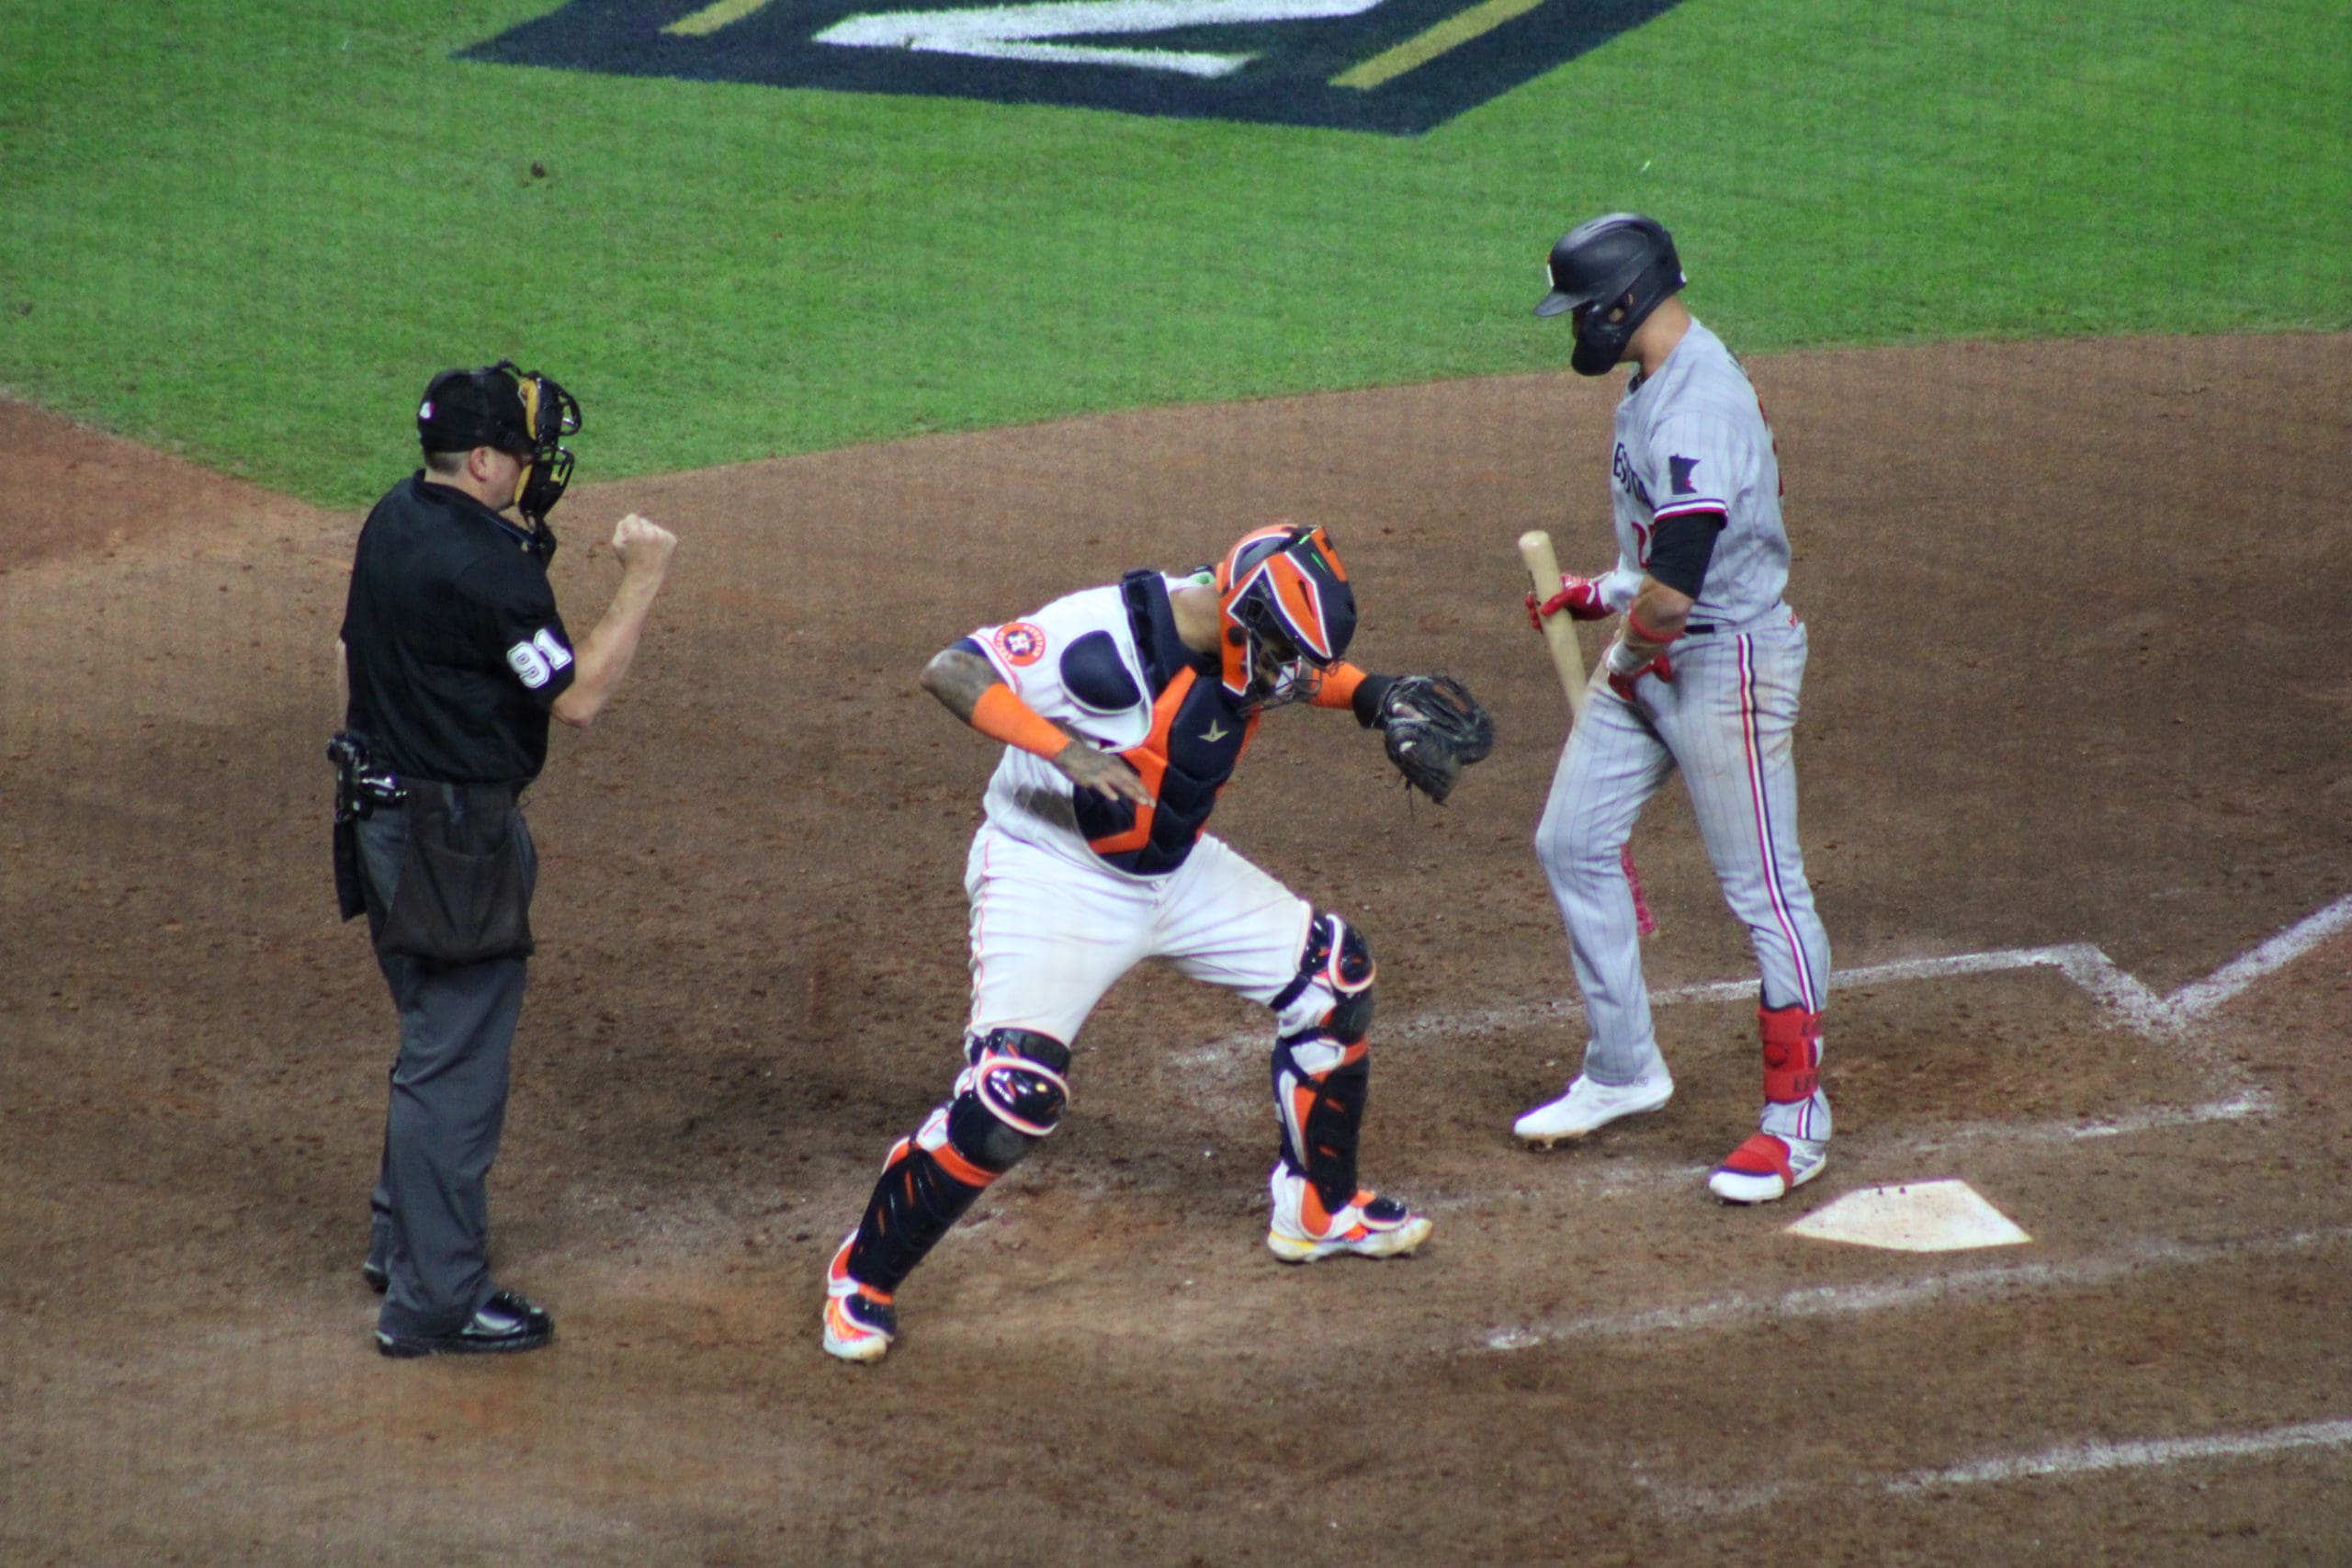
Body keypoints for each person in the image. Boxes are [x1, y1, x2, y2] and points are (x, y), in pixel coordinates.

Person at [820, 524, 1488, 1362]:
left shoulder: (1248, 641)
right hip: (1050, 870)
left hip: (1171, 872)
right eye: (1282, 649)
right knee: (1009, 1102)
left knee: (1335, 978)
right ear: (1238, 615)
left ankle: (1318, 1209)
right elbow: (951, 669)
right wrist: (1064, 749)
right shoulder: (1097, 639)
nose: (1292, 670)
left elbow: (1303, 674)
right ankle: (864, 1276)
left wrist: (1372, 694)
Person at [334, 362, 676, 1355]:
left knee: (433, 1035)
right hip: (451, 840)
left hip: (379, 811)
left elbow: (348, 651)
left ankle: (402, 1242)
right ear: (481, 460)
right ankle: (434, 1303)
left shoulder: (394, 516)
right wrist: (644, 579)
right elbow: (576, 697)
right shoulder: (490, 571)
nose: (534, 470)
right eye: (522, 455)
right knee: (457, 1066)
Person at [1516, 214, 1834, 1204]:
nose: (1576, 327)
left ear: (1624, 299)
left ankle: (1796, 1124)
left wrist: (1638, 641)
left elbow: (1681, 594)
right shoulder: (1657, 378)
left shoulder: (1698, 404)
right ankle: (1622, 1070)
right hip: (1659, 647)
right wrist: (1601, 594)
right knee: (1571, 841)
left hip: (1723, 663)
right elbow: (1661, 562)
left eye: (1582, 308)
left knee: (1765, 894)